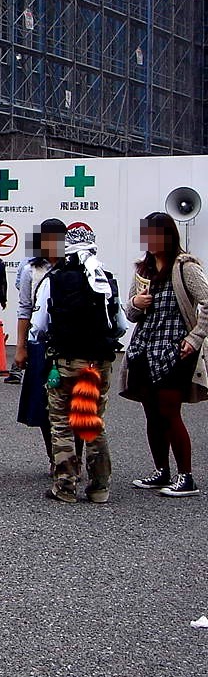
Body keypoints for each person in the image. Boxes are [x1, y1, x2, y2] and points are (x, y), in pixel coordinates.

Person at [33, 226, 126, 503]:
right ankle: (99, 487)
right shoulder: (106, 279)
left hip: (65, 361)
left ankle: (65, 486)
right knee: (92, 421)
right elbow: (120, 326)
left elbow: (38, 326)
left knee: (61, 422)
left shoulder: (55, 280)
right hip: (99, 363)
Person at [121, 211, 208, 498]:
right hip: (144, 348)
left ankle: (187, 477)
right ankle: (161, 471)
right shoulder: (142, 270)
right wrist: (136, 301)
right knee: (152, 413)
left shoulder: (185, 267)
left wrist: (194, 338)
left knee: (170, 411)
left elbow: (207, 302)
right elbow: (131, 313)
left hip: (175, 350)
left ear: (170, 236)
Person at [13, 219, 67, 466]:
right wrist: (21, 348)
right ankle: (55, 457)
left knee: (75, 404)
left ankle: (71, 455)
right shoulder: (30, 270)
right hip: (40, 345)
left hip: (71, 344)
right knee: (43, 406)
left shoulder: (76, 267)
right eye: (48, 239)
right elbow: (24, 310)